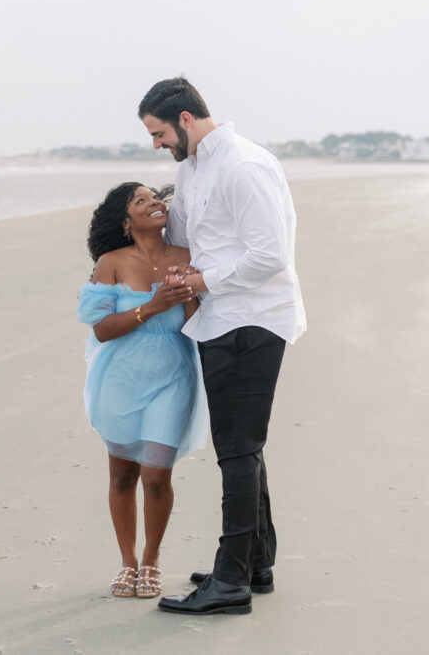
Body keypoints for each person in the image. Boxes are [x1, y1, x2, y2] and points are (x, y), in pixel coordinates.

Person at [137, 77, 306, 615]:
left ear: (186, 118)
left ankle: (230, 583)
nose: (157, 145)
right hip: (217, 321)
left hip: (254, 320)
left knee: (236, 450)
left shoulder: (244, 165)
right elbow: (186, 236)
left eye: (159, 133)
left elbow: (270, 255)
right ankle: (254, 563)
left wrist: (202, 282)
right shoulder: (190, 169)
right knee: (240, 445)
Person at [77, 181, 208, 600]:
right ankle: (127, 563)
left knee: (155, 476)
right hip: (120, 378)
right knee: (122, 475)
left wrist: (188, 294)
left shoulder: (187, 258)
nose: (154, 202)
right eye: (141, 200)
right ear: (126, 220)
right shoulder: (111, 263)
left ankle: (150, 560)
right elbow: (102, 329)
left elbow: (196, 324)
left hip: (173, 373)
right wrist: (152, 306)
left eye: (156, 196)